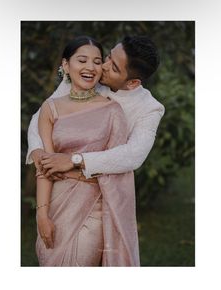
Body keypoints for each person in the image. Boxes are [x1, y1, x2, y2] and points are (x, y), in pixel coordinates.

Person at [32, 35, 139, 266]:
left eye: (97, 61)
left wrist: (69, 166)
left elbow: (115, 169)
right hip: (55, 204)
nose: (90, 67)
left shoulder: (113, 111)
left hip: (92, 210)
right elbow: (44, 168)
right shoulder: (50, 109)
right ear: (65, 66)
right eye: (82, 60)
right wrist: (42, 215)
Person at [27, 36, 165, 182]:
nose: (104, 66)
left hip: (104, 187)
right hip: (57, 178)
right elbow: (43, 115)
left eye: (114, 67)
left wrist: (74, 160)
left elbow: (133, 155)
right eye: (109, 57)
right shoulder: (87, 77)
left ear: (133, 83)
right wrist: (38, 153)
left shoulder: (150, 108)